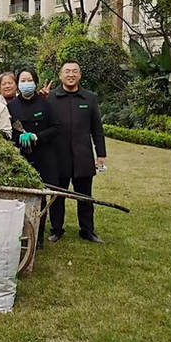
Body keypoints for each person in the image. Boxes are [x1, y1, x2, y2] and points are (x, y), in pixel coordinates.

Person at [47, 60, 107, 244]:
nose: (71, 74)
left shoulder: (89, 98)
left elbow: (97, 129)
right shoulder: (50, 98)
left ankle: (87, 230)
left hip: (83, 156)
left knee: (85, 196)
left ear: (80, 75)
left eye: (75, 71)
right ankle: (56, 229)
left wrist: (101, 154)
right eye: (67, 71)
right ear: (60, 75)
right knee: (57, 195)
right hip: (58, 156)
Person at [7, 68, 59, 248]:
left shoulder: (45, 104)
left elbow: (55, 128)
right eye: (22, 80)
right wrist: (18, 137)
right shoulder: (12, 106)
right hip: (21, 156)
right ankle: (19, 233)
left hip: (43, 155)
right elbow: (8, 130)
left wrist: (38, 136)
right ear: (18, 84)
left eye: (29, 80)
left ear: (35, 83)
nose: (26, 83)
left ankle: (38, 237)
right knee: (19, 195)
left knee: (40, 197)